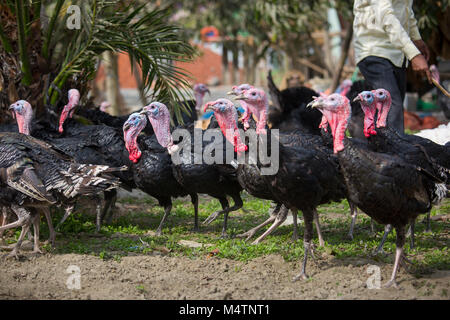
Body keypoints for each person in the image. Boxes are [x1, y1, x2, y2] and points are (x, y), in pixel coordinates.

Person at [353, 0, 432, 133]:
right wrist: (413, 54)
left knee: (392, 109)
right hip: (374, 50)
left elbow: (406, 10)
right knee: (390, 105)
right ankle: (393, 153)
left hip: (396, 52)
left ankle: (380, 150)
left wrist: (416, 38)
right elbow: (386, 17)